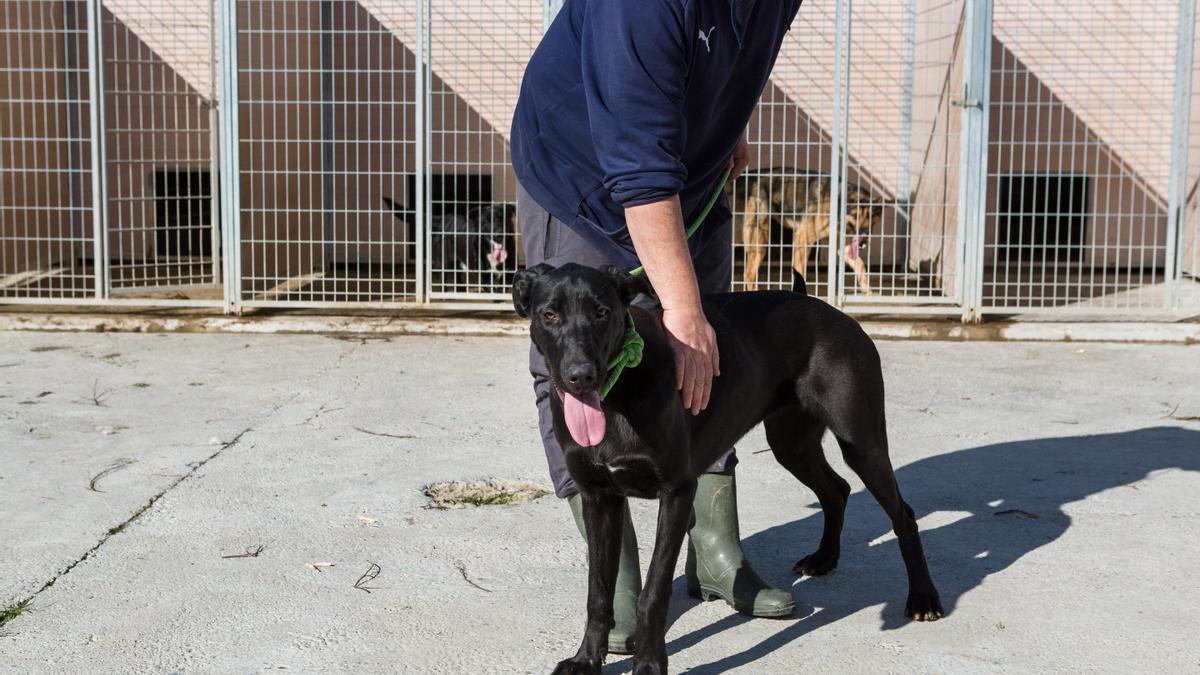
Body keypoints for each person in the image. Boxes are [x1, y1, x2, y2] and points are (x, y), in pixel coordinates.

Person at [510, 0, 804, 653]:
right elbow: (638, 167)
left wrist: (728, 124)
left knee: (709, 356)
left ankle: (715, 549)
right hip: (581, 171)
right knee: (581, 360)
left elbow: (743, 49)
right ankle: (614, 577)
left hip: (687, 168)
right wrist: (681, 306)